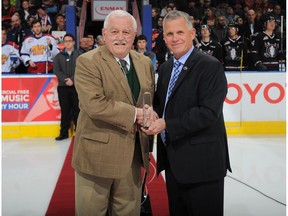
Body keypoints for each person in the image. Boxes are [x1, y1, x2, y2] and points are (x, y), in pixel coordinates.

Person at [142, 10, 231, 216]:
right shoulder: (165, 68)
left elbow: (208, 113)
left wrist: (167, 124)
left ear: (192, 34)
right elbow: (161, 105)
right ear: (163, 37)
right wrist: (150, 112)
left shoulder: (210, 66)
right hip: (174, 163)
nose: (175, 38)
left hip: (203, 166)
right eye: (170, 34)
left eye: (180, 32)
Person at [72, 10, 155, 216]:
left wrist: (149, 111)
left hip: (133, 156)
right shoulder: (87, 61)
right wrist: (136, 114)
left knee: (128, 212)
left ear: (134, 35)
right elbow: (94, 104)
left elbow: (147, 98)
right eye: (114, 31)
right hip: (96, 157)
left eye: (126, 32)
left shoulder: (144, 62)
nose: (120, 37)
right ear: (104, 33)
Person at [53, 33, 81, 141]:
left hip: (76, 87)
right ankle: (63, 133)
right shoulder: (58, 57)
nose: (68, 43)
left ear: (73, 42)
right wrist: (66, 80)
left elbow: (81, 69)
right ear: (63, 43)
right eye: (66, 41)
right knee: (65, 111)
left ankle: (79, 133)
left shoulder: (80, 55)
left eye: (70, 41)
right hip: (63, 87)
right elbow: (56, 70)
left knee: (77, 110)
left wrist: (73, 80)